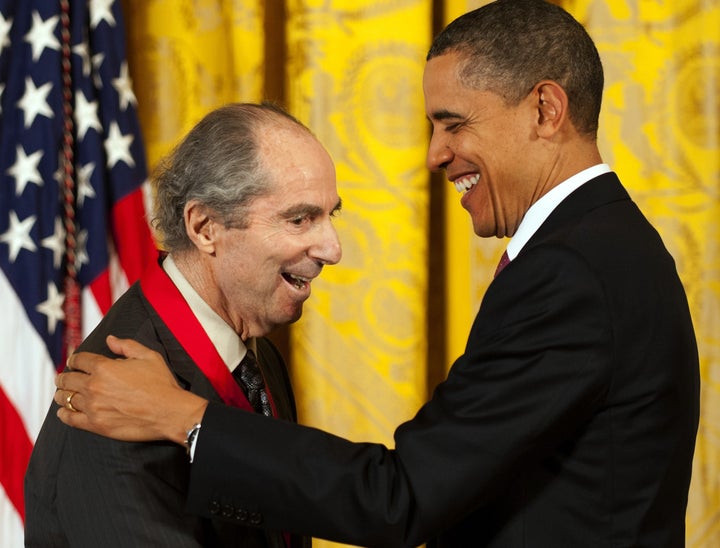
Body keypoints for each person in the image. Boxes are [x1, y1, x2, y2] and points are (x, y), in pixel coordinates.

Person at [53, 1, 700, 546]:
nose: (435, 154)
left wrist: (186, 419)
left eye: (454, 123)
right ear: (204, 227)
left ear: (545, 110)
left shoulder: (574, 271)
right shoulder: (603, 248)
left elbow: (403, 496)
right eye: (299, 218)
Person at [24, 102, 342, 547]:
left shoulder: (258, 358)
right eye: (299, 219)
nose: (332, 248)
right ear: (205, 226)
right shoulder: (111, 404)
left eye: (332, 215)